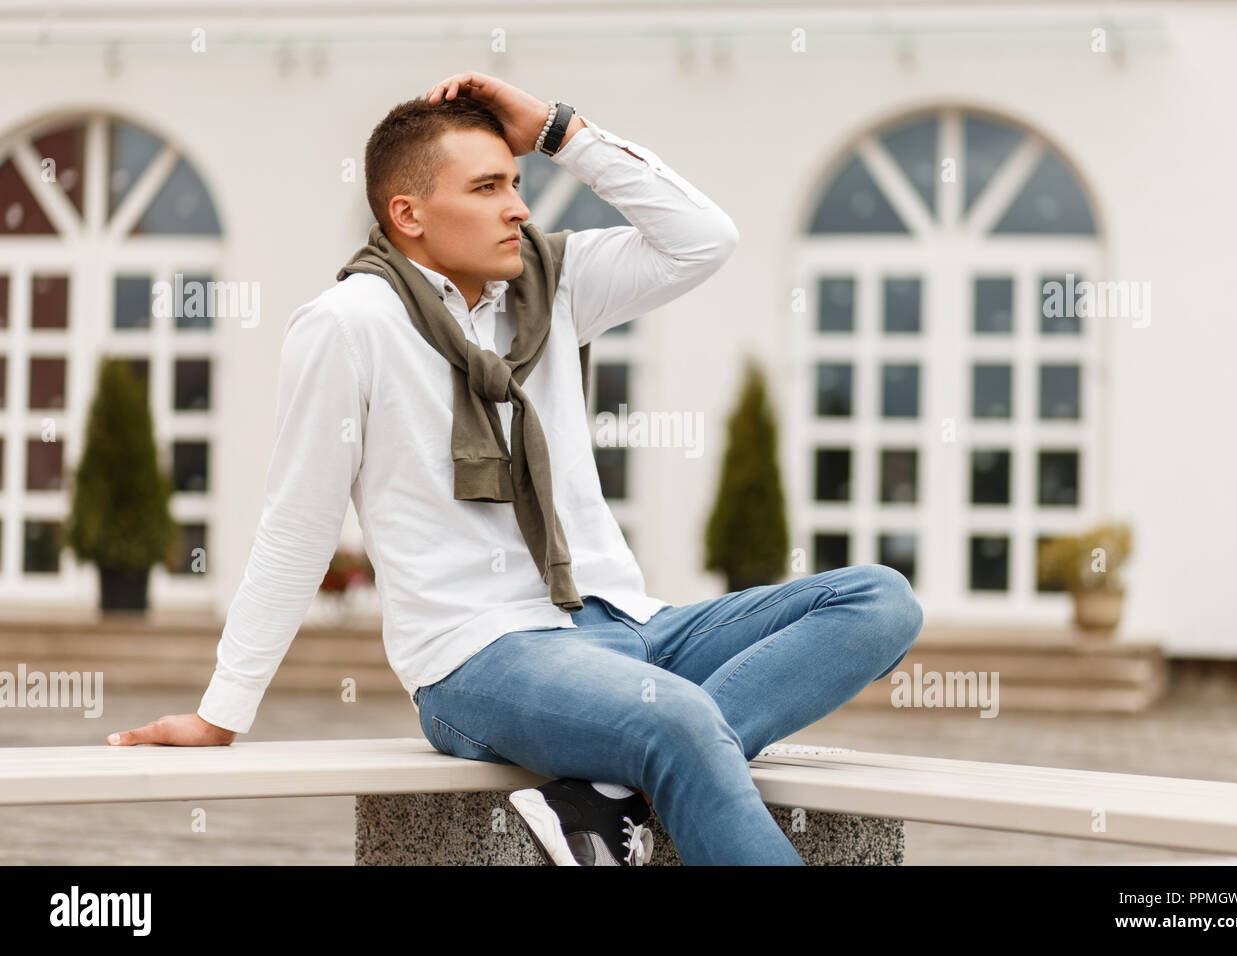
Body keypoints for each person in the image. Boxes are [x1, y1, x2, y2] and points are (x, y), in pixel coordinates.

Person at [107, 71, 924, 867]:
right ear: (410, 213)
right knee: (675, 721)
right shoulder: (347, 325)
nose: (520, 207)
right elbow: (298, 526)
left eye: (517, 180)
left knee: (880, 602)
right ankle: (641, 765)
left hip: (624, 626)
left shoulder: (554, 287)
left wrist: (561, 130)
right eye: (490, 187)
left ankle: (602, 800)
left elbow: (705, 238)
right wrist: (224, 713)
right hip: (479, 658)